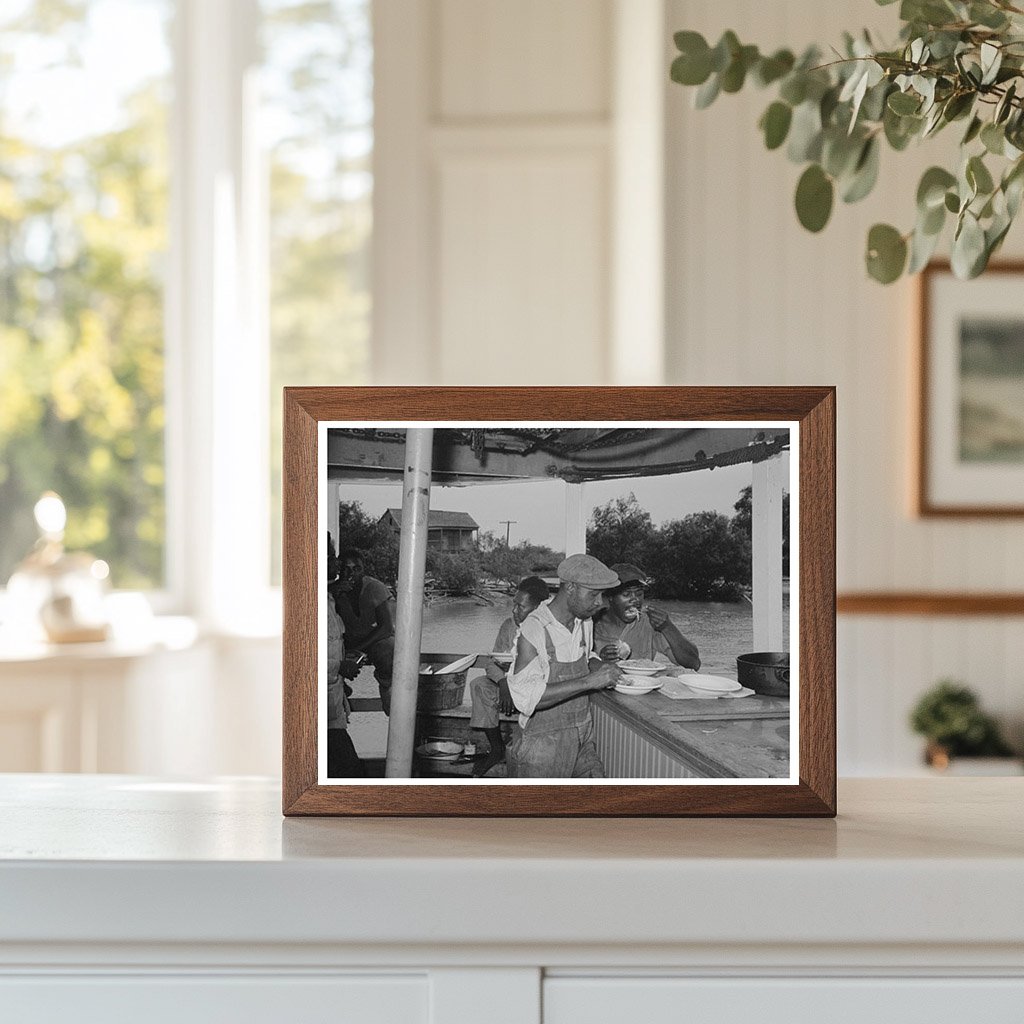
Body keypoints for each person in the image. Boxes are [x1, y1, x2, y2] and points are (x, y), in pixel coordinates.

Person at [505, 555, 623, 778]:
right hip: (541, 745)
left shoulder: (584, 621)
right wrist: (590, 681)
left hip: (582, 736)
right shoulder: (534, 629)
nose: (600, 603)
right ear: (570, 588)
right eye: (593, 594)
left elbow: (584, 657)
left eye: (602, 594)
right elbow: (527, 697)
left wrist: (602, 667)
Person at [468, 575, 550, 777]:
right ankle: (496, 747)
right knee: (479, 685)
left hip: (535, 689)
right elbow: (492, 663)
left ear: (538, 609)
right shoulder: (508, 626)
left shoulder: (548, 630)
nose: (514, 610)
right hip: (508, 687)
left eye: (520, 607)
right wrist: (504, 682)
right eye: (514, 604)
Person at [593, 563, 701, 670]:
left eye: (639, 594)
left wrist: (668, 627)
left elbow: (693, 663)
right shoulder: (591, 623)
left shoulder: (649, 623)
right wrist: (599, 661)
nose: (635, 600)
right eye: (626, 594)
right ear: (610, 597)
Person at [334, 547, 396, 715]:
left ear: (363, 570)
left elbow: (386, 627)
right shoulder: (333, 591)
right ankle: (340, 687)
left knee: (389, 649)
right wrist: (334, 594)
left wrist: (358, 648)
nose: (351, 574)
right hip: (347, 640)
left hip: (374, 639)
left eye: (356, 569)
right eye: (346, 569)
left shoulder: (375, 587)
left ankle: (390, 697)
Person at [325, 534, 364, 777]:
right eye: (331, 558)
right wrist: (340, 666)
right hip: (318, 713)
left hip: (333, 707)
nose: (337, 563)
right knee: (351, 772)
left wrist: (345, 658)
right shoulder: (305, 603)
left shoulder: (329, 598)